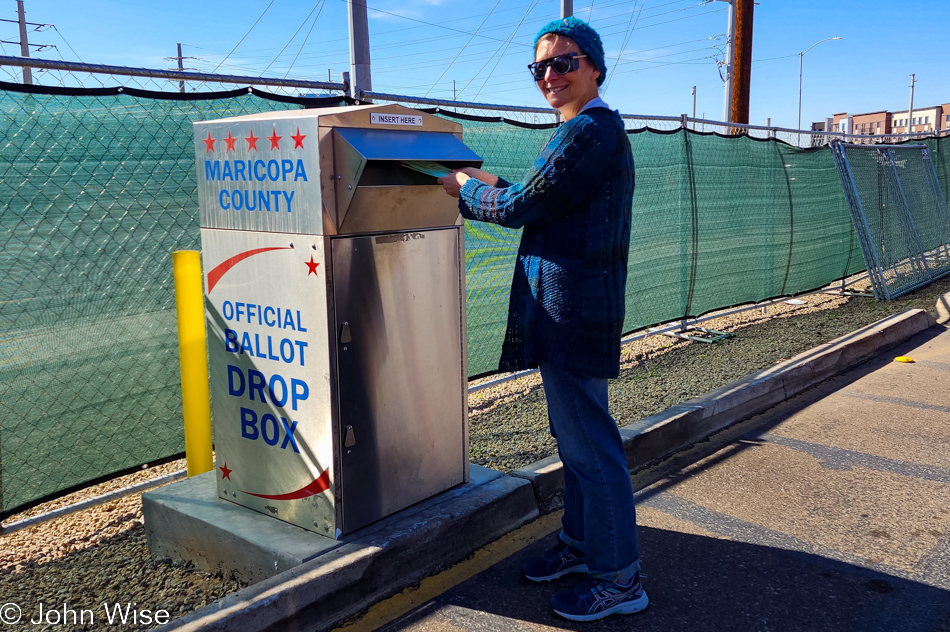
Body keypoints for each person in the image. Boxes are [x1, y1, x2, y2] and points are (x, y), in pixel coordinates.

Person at [437, 16, 645, 623]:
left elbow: (524, 205)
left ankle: (619, 579)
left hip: (573, 313)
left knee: (590, 446)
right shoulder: (585, 132)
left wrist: (460, 189)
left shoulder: (589, 131)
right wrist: (485, 181)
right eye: (540, 67)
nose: (550, 75)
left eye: (564, 62)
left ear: (595, 68)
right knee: (577, 441)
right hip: (571, 310)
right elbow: (542, 197)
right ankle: (583, 547)